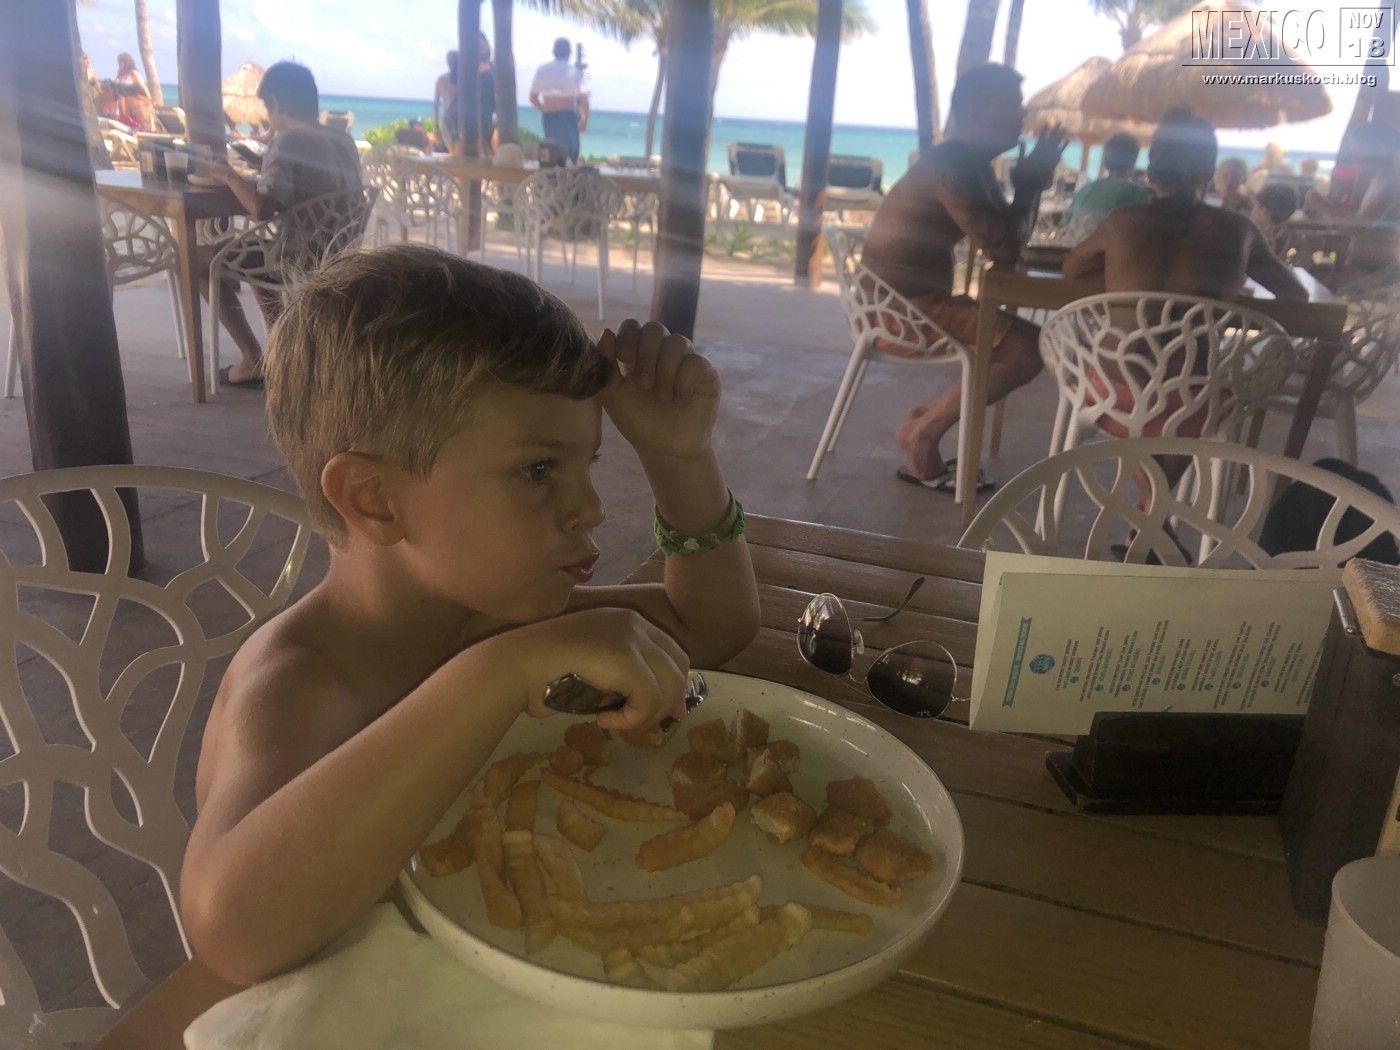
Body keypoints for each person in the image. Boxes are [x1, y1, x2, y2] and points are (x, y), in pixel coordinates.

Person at [177, 243, 761, 985]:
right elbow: (229, 930)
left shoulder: (484, 613)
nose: (590, 509)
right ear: (374, 499)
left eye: (586, 464)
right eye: (538, 470)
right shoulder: (300, 683)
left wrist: (680, 461)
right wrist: (497, 674)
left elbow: (710, 624)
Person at [1061, 109, 1306, 541]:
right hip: (1193, 401)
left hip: (1114, 395)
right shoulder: (1239, 230)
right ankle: (1151, 523)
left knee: (1134, 398)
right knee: (1211, 399)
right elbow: (1295, 295)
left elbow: (1071, 269)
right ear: (1209, 172)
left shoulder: (1122, 223)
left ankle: (1151, 521)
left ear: (1152, 169)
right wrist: (1227, 294)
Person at [860, 63, 1066, 490]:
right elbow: (1006, 249)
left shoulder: (971, 165)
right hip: (895, 313)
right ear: (975, 112)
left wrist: (1030, 183)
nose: (1022, 116)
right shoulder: (953, 166)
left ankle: (927, 421)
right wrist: (1030, 185)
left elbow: (1009, 241)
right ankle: (922, 435)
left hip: (905, 305)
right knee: (1026, 350)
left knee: (1026, 341)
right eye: (1012, 106)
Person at [205, 60, 363, 388]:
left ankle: (255, 358)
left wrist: (229, 175)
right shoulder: (343, 140)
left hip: (300, 258)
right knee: (254, 253)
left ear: (275, 102)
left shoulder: (287, 141)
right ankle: (285, 351)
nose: (268, 117)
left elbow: (261, 209)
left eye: (267, 107)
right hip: (340, 251)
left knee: (203, 261)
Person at [1303, 122, 1400, 292]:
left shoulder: (1391, 184)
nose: (1355, 158)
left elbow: (1359, 228)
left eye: (1359, 151)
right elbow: (1353, 223)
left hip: (1379, 274)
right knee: (1309, 273)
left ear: (1381, 149)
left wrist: (1321, 203)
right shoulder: (1377, 180)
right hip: (1364, 266)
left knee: (1308, 280)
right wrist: (1320, 213)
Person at [1060, 131, 1151, 233]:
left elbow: (1065, 223)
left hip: (1078, 242)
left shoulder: (1085, 190)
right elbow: (1146, 229)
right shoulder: (1137, 194)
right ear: (1133, 161)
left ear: (1105, 160)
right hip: (1115, 243)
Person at [530, 37, 589, 164]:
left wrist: (544, 110)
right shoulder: (573, 71)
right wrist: (585, 121)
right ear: (569, 52)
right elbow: (584, 99)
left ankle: (554, 176)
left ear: (554, 51)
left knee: (552, 153)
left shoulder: (542, 70)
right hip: (567, 115)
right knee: (571, 152)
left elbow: (533, 98)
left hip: (549, 117)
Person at [1251, 182, 1300, 255]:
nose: (1252, 212)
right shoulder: (1295, 239)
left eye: (1255, 206)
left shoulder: (1253, 240)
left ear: (1264, 210)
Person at [114, 51, 154, 131]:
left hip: (133, 99)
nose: (119, 64)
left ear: (126, 62)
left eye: (120, 62)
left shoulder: (133, 73)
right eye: (118, 62)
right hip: (121, 100)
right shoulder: (120, 73)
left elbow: (143, 87)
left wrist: (149, 100)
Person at [434, 51, 459, 150]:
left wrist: (436, 126)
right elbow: (436, 104)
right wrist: (436, 126)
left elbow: (436, 105)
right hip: (456, 119)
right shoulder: (462, 79)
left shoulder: (441, 80)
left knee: (452, 149)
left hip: (451, 119)